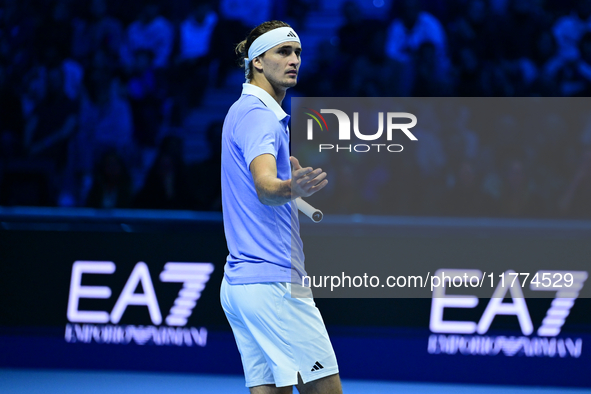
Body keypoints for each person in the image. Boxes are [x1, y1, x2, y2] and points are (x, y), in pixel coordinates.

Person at [219, 21, 342, 393]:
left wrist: (294, 191)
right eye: (283, 52)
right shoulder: (260, 116)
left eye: (298, 53)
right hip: (273, 283)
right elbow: (264, 187)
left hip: (241, 286)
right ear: (258, 61)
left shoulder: (244, 111)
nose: (294, 60)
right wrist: (289, 186)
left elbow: (266, 188)